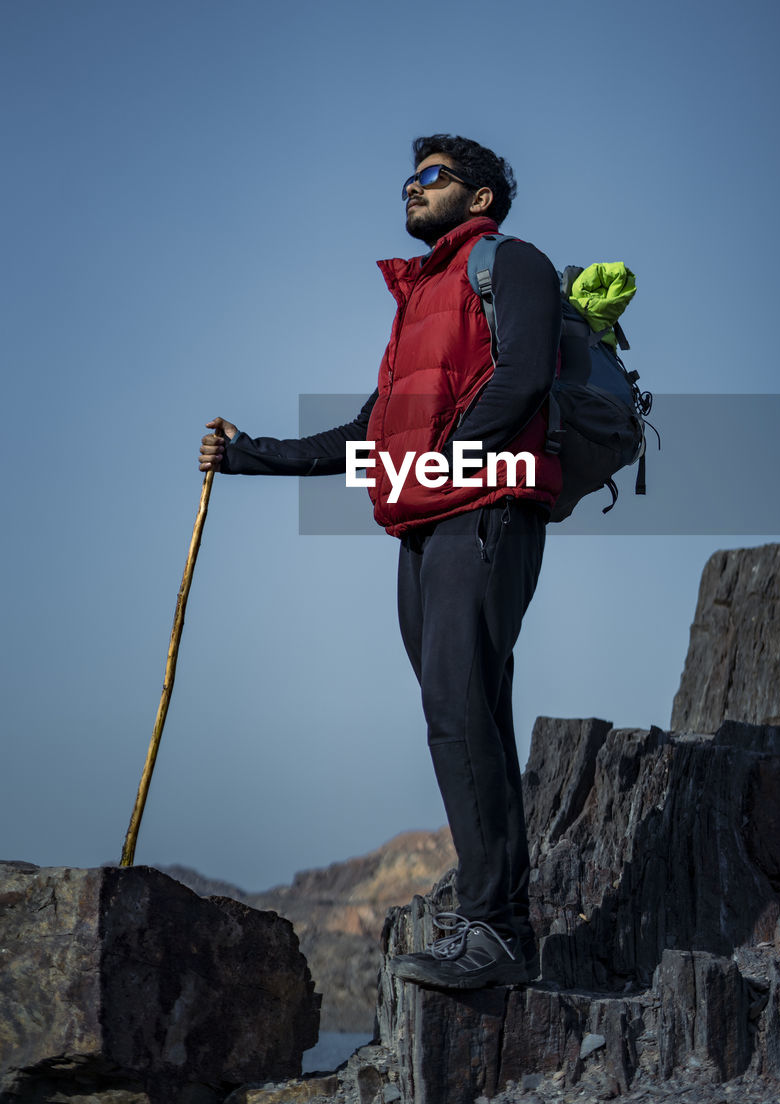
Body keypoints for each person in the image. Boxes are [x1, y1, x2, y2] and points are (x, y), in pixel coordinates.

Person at [199, 135, 562, 989]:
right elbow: (368, 434)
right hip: (424, 525)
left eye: (432, 176)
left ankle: (495, 933)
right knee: (463, 718)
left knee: (458, 712)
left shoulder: (510, 264)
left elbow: (524, 382)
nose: (411, 184)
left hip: (484, 510)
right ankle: (496, 923)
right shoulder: (419, 300)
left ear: (478, 199)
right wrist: (251, 456)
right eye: (409, 174)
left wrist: (446, 458)